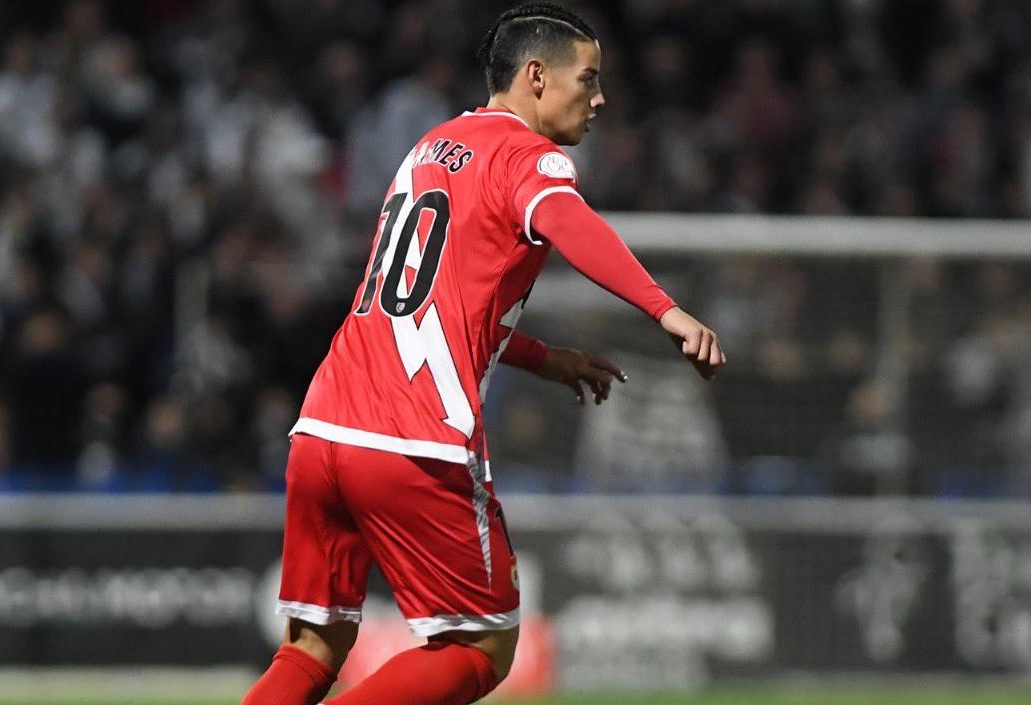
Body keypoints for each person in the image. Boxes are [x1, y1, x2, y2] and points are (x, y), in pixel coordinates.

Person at [240, 4, 725, 705]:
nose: (599, 98)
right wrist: (665, 308)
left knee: (312, 647)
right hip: (411, 439)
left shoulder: (431, 147)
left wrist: (541, 356)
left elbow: (427, 304)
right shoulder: (527, 156)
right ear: (535, 77)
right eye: (586, 79)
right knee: (479, 648)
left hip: (322, 427)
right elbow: (569, 224)